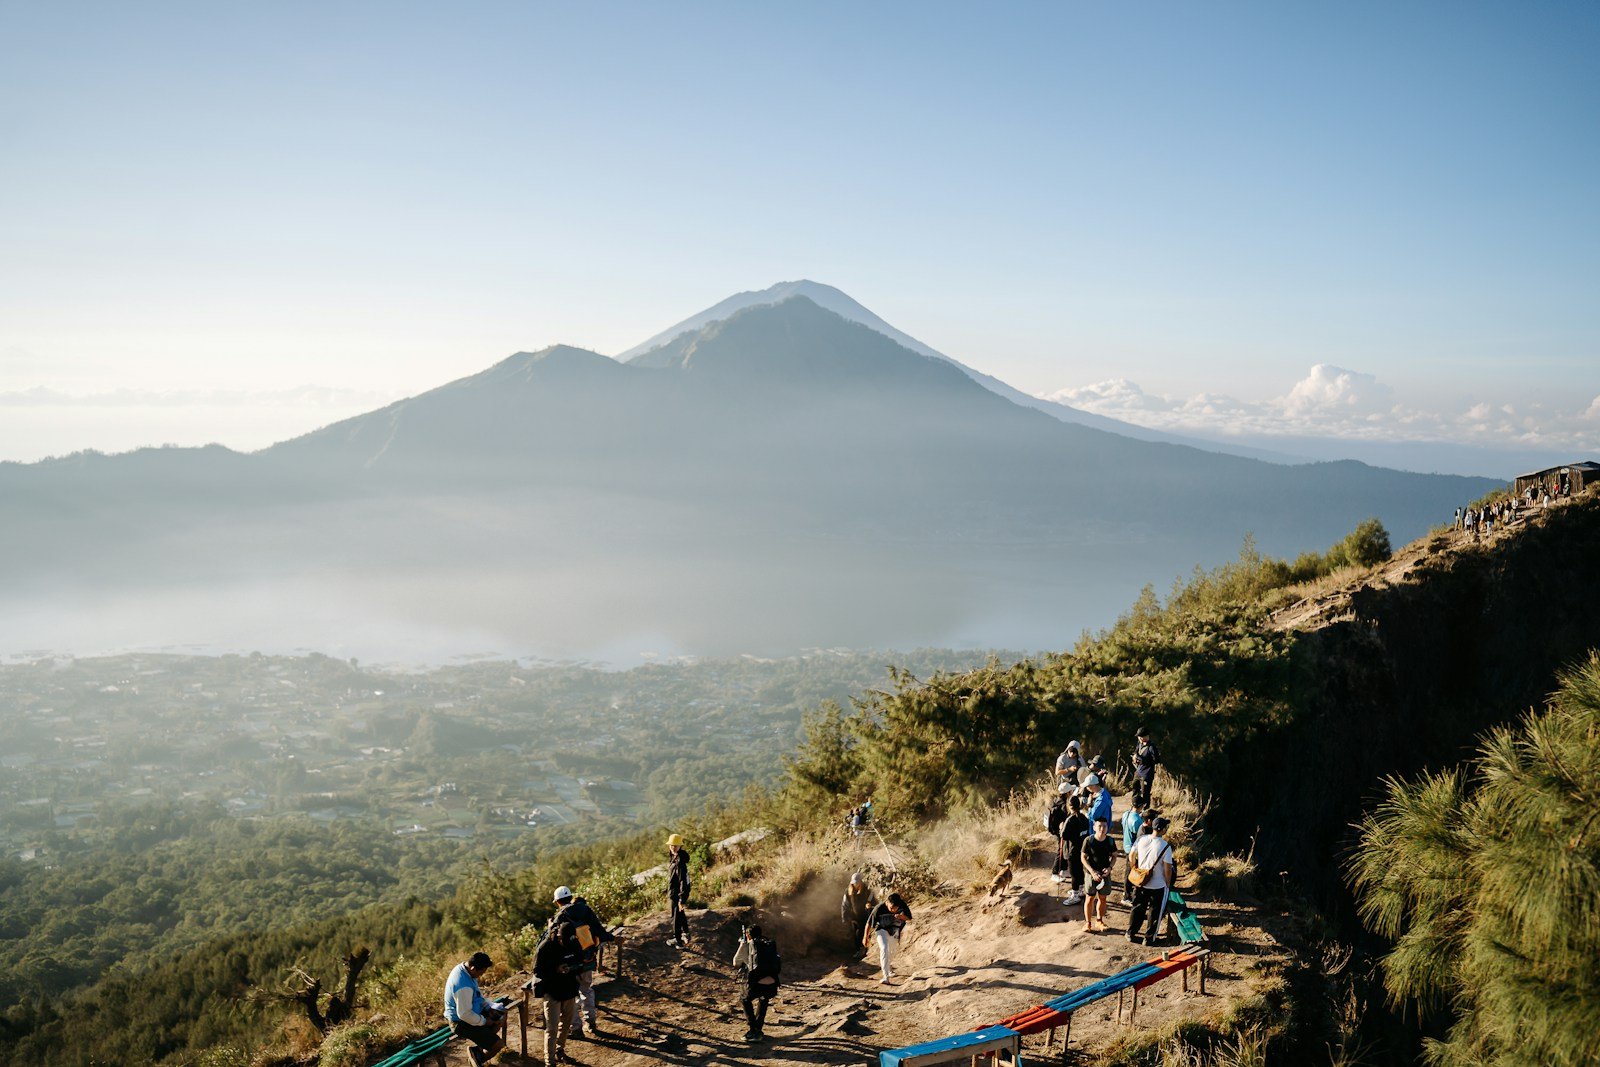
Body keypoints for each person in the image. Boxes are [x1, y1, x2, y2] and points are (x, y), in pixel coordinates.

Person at [551, 885, 617, 1038]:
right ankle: (591, 1022)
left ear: (558, 902)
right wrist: (611, 939)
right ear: (570, 897)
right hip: (587, 958)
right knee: (586, 990)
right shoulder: (585, 910)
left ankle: (576, 1028)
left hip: (571, 964)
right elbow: (599, 930)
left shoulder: (560, 917)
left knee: (571, 995)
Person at [444, 950, 505, 1067]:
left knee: (499, 1018)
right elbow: (464, 1014)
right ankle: (477, 1059)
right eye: (481, 972)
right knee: (498, 1045)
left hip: (470, 1012)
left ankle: (478, 1049)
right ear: (473, 968)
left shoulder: (464, 970)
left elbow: (476, 996)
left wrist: (488, 1007)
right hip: (460, 1022)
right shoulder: (462, 985)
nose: (481, 975)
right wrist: (484, 1021)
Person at [533, 922, 581, 1065]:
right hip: (552, 992)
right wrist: (556, 970)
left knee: (566, 1025)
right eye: (562, 941)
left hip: (570, 990)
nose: (565, 944)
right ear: (558, 936)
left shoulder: (573, 942)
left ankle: (560, 1050)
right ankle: (550, 1061)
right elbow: (537, 971)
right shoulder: (545, 947)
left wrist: (570, 968)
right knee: (552, 1028)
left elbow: (580, 962)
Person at [1127, 816, 1175, 946]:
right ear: (1163, 830)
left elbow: (1131, 855)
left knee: (1137, 908)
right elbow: (1167, 869)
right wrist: (1168, 882)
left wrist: (1135, 868)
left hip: (1140, 881)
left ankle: (1130, 932)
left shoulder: (1141, 839)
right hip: (1157, 885)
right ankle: (1149, 938)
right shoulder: (1166, 847)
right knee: (1155, 912)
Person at [732, 923, 782, 1040]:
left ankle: (752, 1029)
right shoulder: (768, 945)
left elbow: (735, 964)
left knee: (744, 999)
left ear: (748, 936)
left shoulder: (748, 946)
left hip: (756, 984)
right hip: (772, 984)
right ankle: (758, 1030)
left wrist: (741, 944)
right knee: (763, 999)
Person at [864, 892, 912, 984]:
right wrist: (865, 937)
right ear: (887, 902)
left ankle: (888, 967)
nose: (893, 910)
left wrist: (902, 917)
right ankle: (885, 976)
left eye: (896, 909)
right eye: (891, 908)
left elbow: (909, 918)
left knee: (893, 951)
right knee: (884, 949)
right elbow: (869, 923)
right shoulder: (879, 908)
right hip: (881, 930)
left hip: (894, 930)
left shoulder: (902, 904)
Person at [1081, 818, 1117, 934]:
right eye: (1100, 826)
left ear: (1107, 827)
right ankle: (1088, 923)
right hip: (1091, 874)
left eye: (1104, 826)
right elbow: (1083, 857)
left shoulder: (1110, 841)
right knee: (1090, 898)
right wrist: (1092, 871)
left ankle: (1099, 921)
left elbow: (1114, 856)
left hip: (1104, 875)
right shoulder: (1089, 840)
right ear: (1094, 827)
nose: (1102, 829)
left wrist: (1110, 868)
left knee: (1102, 898)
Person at [1058, 795, 1089, 904]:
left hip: (1072, 851)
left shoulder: (1070, 820)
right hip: (1082, 850)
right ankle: (1080, 890)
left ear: (1069, 806)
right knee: (1080, 871)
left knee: (1074, 873)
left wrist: (1061, 828)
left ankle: (1075, 895)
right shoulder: (1084, 818)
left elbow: (1064, 836)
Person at [840, 872, 876, 956]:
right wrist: (845, 918)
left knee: (861, 932)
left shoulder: (868, 890)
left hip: (866, 915)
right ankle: (859, 950)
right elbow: (845, 905)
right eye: (854, 882)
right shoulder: (848, 892)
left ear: (861, 882)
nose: (856, 884)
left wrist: (870, 905)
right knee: (856, 934)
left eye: (857, 882)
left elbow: (873, 901)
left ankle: (864, 949)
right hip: (855, 917)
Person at [666, 833, 691, 947]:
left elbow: (683, 881)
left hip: (677, 893)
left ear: (680, 846)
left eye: (675, 846)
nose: (673, 847)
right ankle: (685, 933)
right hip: (675, 892)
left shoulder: (680, 862)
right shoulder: (675, 857)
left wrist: (681, 898)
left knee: (676, 916)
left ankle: (678, 940)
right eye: (671, 845)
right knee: (680, 913)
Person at [1120, 806, 1149, 902]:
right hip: (1132, 849)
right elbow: (1138, 833)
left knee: (1128, 872)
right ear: (1142, 806)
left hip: (1126, 846)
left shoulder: (1126, 814)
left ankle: (1127, 892)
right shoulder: (1137, 821)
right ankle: (1126, 896)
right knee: (1130, 873)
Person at [1045, 781, 1070, 881]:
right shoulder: (1064, 805)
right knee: (1060, 851)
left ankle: (1063, 870)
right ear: (1067, 793)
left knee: (1063, 850)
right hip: (1059, 832)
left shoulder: (1056, 800)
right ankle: (1055, 873)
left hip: (1055, 830)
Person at [1131, 727, 1160, 809]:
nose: (1139, 738)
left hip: (1147, 774)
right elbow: (1136, 751)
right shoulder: (1139, 743)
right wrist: (1135, 756)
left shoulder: (1152, 747)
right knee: (1135, 788)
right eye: (1138, 736)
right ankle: (1134, 806)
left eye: (1141, 736)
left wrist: (1143, 760)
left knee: (1145, 793)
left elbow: (1157, 760)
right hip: (1138, 771)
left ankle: (1145, 810)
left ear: (1146, 736)